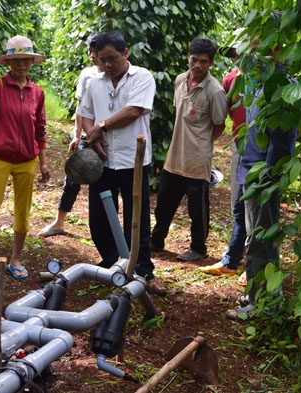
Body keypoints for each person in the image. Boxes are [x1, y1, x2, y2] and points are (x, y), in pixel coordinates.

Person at [77, 31, 166, 295]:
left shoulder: (142, 77)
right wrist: (93, 137)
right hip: (103, 161)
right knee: (100, 216)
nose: (106, 65)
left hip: (133, 161)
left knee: (136, 217)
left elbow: (134, 110)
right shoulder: (94, 82)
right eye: (102, 59)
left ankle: (142, 269)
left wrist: (101, 127)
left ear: (125, 53)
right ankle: (112, 264)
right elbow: (85, 114)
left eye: (112, 58)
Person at [0, 35, 50, 282]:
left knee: (22, 212)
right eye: (16, 60)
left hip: (27, 160)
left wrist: (44, 162)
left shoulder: (38, 92)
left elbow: (41, 128)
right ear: (8, 62)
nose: (21, 64)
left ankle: (15, 258)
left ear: (31, 62)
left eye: (25, 59)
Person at [225, 51, 297, 320]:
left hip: (262, 179)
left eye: (259, 48)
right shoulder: (261, 82)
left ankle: (263, 305)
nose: (251, 55)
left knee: (260, 240)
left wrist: (266, 181)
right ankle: (259, 296)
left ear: (277, 50)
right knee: (255, 237)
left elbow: (280, 144)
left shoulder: (280, 87)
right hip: (251, 172)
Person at [150, 37, 228, 262]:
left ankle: (198, 247)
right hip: (175, 155)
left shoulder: (214, 91)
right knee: (164, 202)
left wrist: (202, 144)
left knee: (197, 209)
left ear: (211, 62)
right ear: (188, 58)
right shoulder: (180, 80)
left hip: (197, 159)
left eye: (203, 61)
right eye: (194, 59)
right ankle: (156, 240)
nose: (197, 65)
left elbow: (219, 124)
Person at [38, 32, 103, 237]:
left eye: (96, 51)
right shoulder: (87, 74)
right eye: (89, 52)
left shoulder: (117, 75)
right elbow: (80, 107)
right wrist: (77, 135)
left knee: (106, 185)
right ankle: (59, 223)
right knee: (73, 177)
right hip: (89, 136)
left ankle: (106, 229)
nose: (92, 56)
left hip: (110, 140)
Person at [199, 38, 248, 278]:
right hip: (241, 145)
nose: (237, 58)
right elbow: (229, 112)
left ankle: (253, 262)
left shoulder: (270, 81)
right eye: (234, 54)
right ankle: (235, 259)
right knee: (239, 204)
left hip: (263, 150)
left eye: (242, 52)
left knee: (258, 207)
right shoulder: (231, 79)